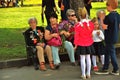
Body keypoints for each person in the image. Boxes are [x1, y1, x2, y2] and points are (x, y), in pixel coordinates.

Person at [95, 0, 120, 75]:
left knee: (111, 53)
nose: (106, 8)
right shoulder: (118, 15)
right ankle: (105, 68)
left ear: (110, 6)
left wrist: (102, 18)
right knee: (107, 52)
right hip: (115, 35)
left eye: (107, 6)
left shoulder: (109, 16)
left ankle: (116, 69)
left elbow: (103, 27)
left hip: (109, 36)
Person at [74, 7, 95, 79]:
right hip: (89, 43)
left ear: (79, 16)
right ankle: (88, 73)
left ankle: (83, 74)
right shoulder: (91, 24)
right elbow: (91, 33)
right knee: (88, 58)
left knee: (82, 58)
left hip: (81, 43)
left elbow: (76, 36)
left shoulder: (77, 25)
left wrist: (75, 45)